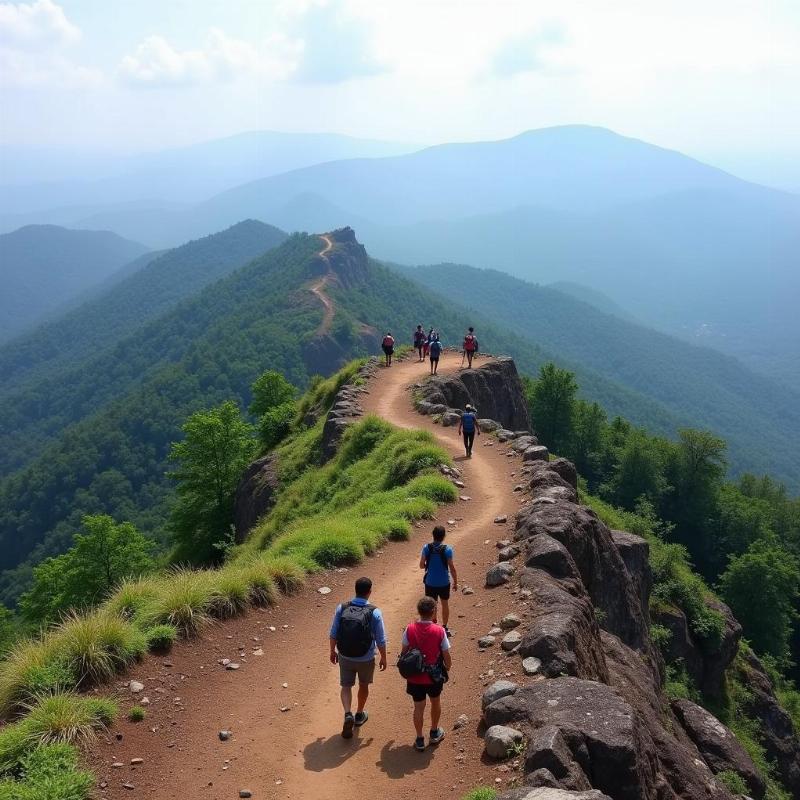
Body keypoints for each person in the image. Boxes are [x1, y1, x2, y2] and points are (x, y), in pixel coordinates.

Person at [329, 576, 388, 739]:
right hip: (366, 657)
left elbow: (333, 632)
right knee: (363, 685)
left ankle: (348, 713)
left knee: (346, 686)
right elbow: (381, 639)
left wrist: (332, 651)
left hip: (345, 655)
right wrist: (383, 657)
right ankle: (359, 714)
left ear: (355, 589)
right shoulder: (375, 612)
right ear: (369, 592)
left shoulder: (342, 608)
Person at [401, 596, 452, 751]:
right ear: (433, 611)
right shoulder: (439, 630)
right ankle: (435, 732)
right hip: (434, 676)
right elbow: (446, 654)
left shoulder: (409, 629)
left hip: (415, 676)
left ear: (419, 611)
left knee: (418, 707)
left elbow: (404, 652)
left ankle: (419, 738)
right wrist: (448, 667)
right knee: (435, 702)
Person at [419, 525, 457, 632]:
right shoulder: (448, 549)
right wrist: (456, 582)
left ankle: (433, 623)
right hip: (444, 582)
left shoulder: (427, 548)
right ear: (444, 536)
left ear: (433, 535)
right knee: (445, 604)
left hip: (430, 582)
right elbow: (452, 568)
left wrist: (428, 564)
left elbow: (421, 565)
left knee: (432, 604)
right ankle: (444, 626)